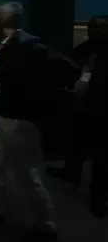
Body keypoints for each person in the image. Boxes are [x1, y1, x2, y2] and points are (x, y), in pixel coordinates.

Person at [0, 3, 80, 240]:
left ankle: (46, 224)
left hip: (20, 122)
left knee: (27, 173)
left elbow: (69, 70)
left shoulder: (28, 45)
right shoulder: (7, 46)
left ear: (3, 23)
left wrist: (31, 94)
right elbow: (10, 79)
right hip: (4, 118)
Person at [46, 15, 108, 218]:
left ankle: (97, 198)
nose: (95, 31)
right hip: (79, 106)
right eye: (92, 28)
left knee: (101, 157)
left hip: (102, 109)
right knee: (76, 143)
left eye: (100, 28)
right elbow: (69, 70)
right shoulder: (82, 50)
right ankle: (71, 172)